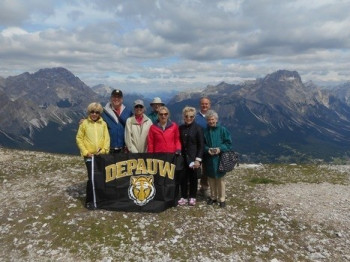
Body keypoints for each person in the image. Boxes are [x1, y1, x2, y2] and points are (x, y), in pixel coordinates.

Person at [76, 102, 110, 209]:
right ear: (89, 112)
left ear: (100, 113)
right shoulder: (84, 124)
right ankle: (89, 200)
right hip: (89, 156)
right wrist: (86, 152)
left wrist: (104, 150)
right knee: (91, 178)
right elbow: (79, 139)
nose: (94, 114)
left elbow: (107, 139)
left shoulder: (103, 124)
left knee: (100, 177)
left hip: (100, 156)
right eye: (92, 112)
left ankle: (100, 199)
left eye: (97, 112)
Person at [202, 110, 232, 208]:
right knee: (211, 179)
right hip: (209, 159)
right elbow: (202, 145)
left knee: (220, 179)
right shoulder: (205, 131)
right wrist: (207, 150)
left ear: (216, 119)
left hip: (220, 158)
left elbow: (228, 143)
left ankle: (222, 198)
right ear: (207, 121)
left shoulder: (223, 130)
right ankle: (213, 197)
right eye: (209, 120)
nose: (211, 121)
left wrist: (220, 149)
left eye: (213, 119)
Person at [178, 107, 204, 206]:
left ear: (194, 117)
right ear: (183, 117)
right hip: (183, 157)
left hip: (194, 158)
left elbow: (201, 145)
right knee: (183, 178)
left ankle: (193, 196)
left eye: (191, 116)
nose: (189, 118)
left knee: (193, 178)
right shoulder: (180, 128)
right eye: (186, 116)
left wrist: (198, 159)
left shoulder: (198, 128)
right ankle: (184, 196)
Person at [102, 89, 132, 153]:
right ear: (111, 98)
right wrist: (85, 121)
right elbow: (95, 119)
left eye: (118, 97)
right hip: (109, 149)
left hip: (123, 149)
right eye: (114, 97)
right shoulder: (104, 112)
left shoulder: (128, 112)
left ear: (122, 99)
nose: (116, 99)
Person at [196, 97, 211, 197]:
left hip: (208, 147)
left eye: (206, 104)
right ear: (200, 105)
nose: (204, 105)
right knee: (194, 167)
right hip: (196, 146)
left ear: (209, 105)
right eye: (202, 104)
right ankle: (191, 187)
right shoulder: (196, 116)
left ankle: (204, 187)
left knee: (206, 169)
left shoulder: (212, 116)